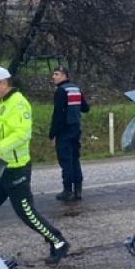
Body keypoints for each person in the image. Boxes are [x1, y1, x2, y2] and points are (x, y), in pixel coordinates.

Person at [0, 67, 71, 264]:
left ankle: (58, 241)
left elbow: (22, 134)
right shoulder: (0, 103)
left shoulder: (18, 103)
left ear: (3, 83)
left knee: (27, 214)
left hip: (16, 169)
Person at [49, 66, 90, 201]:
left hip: (64, 131)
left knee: (66, 161)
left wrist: (52, 134)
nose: (53, 77)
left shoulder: (61, 91)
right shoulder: (75, 89)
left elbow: (58, 115)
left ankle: (67, 191)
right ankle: (78, 190)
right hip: (76, 129)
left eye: (56, 74)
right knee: (74, 159)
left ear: (64, 76)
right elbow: (85, 108)